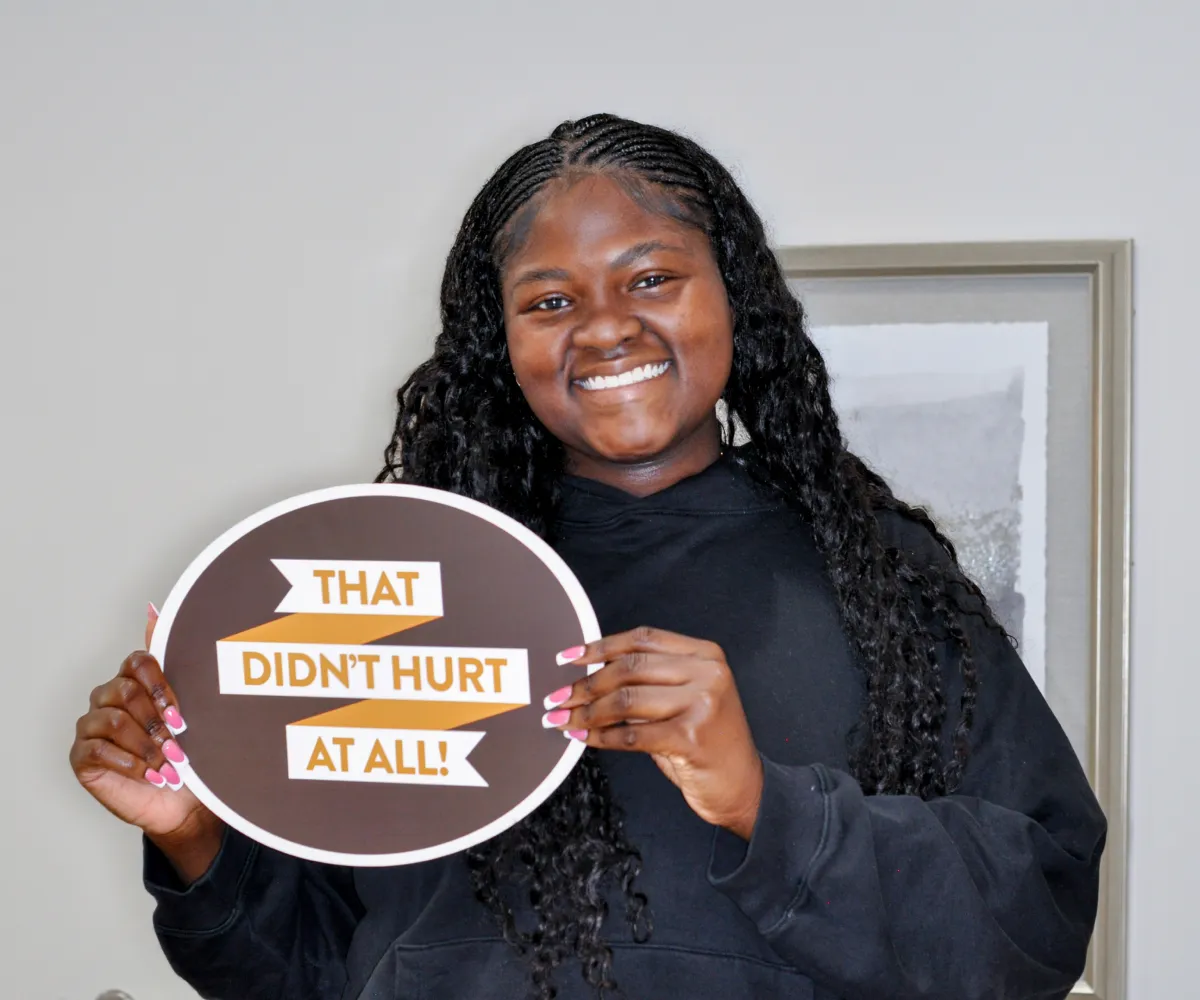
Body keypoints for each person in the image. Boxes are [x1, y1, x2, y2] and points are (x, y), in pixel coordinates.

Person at [70, 114, 1106, 1000]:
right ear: (501, 338)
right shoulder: (411, 582)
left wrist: (760, 801)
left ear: (732, 297)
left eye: (651, 276)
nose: (606, 329)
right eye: (550, 300)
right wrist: (197, 834)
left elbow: (1039, 918)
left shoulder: (875, 576)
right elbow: (322, 968)